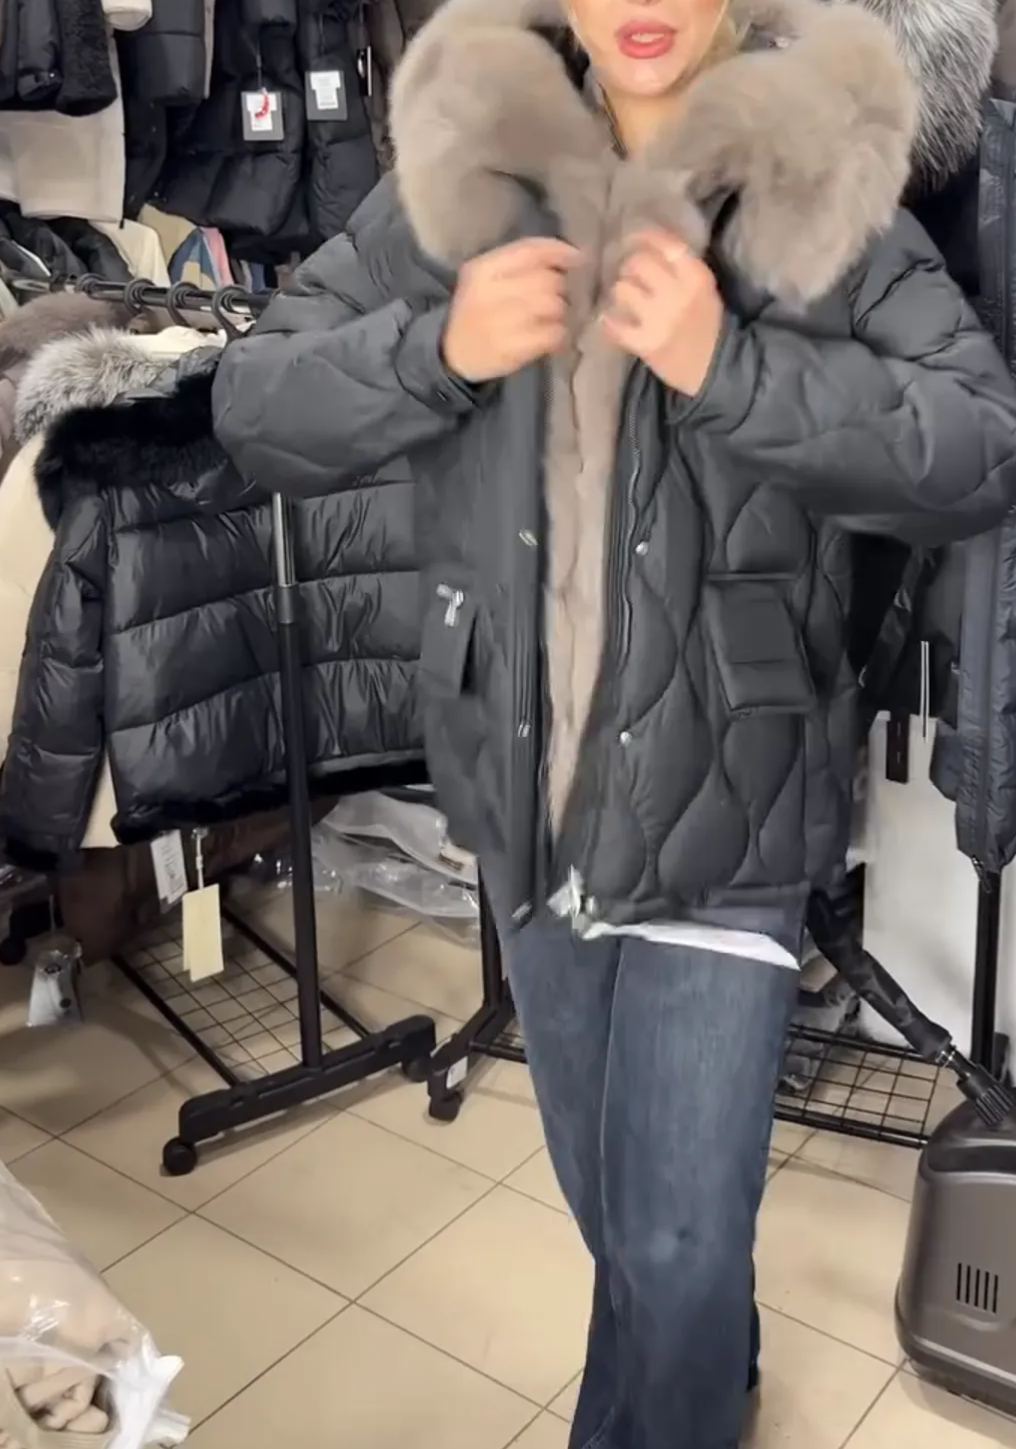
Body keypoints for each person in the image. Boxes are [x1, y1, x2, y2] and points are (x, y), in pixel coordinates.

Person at [212, 0, 1016, 1443]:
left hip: (732, 797)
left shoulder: (815, 182)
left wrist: (734, 368)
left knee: (676, 1239)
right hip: (532, 795)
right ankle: (715, 1361)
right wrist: (438, 349)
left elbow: (977, 447)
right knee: (612, 1209)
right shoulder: (475, 172)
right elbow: (256, 400)